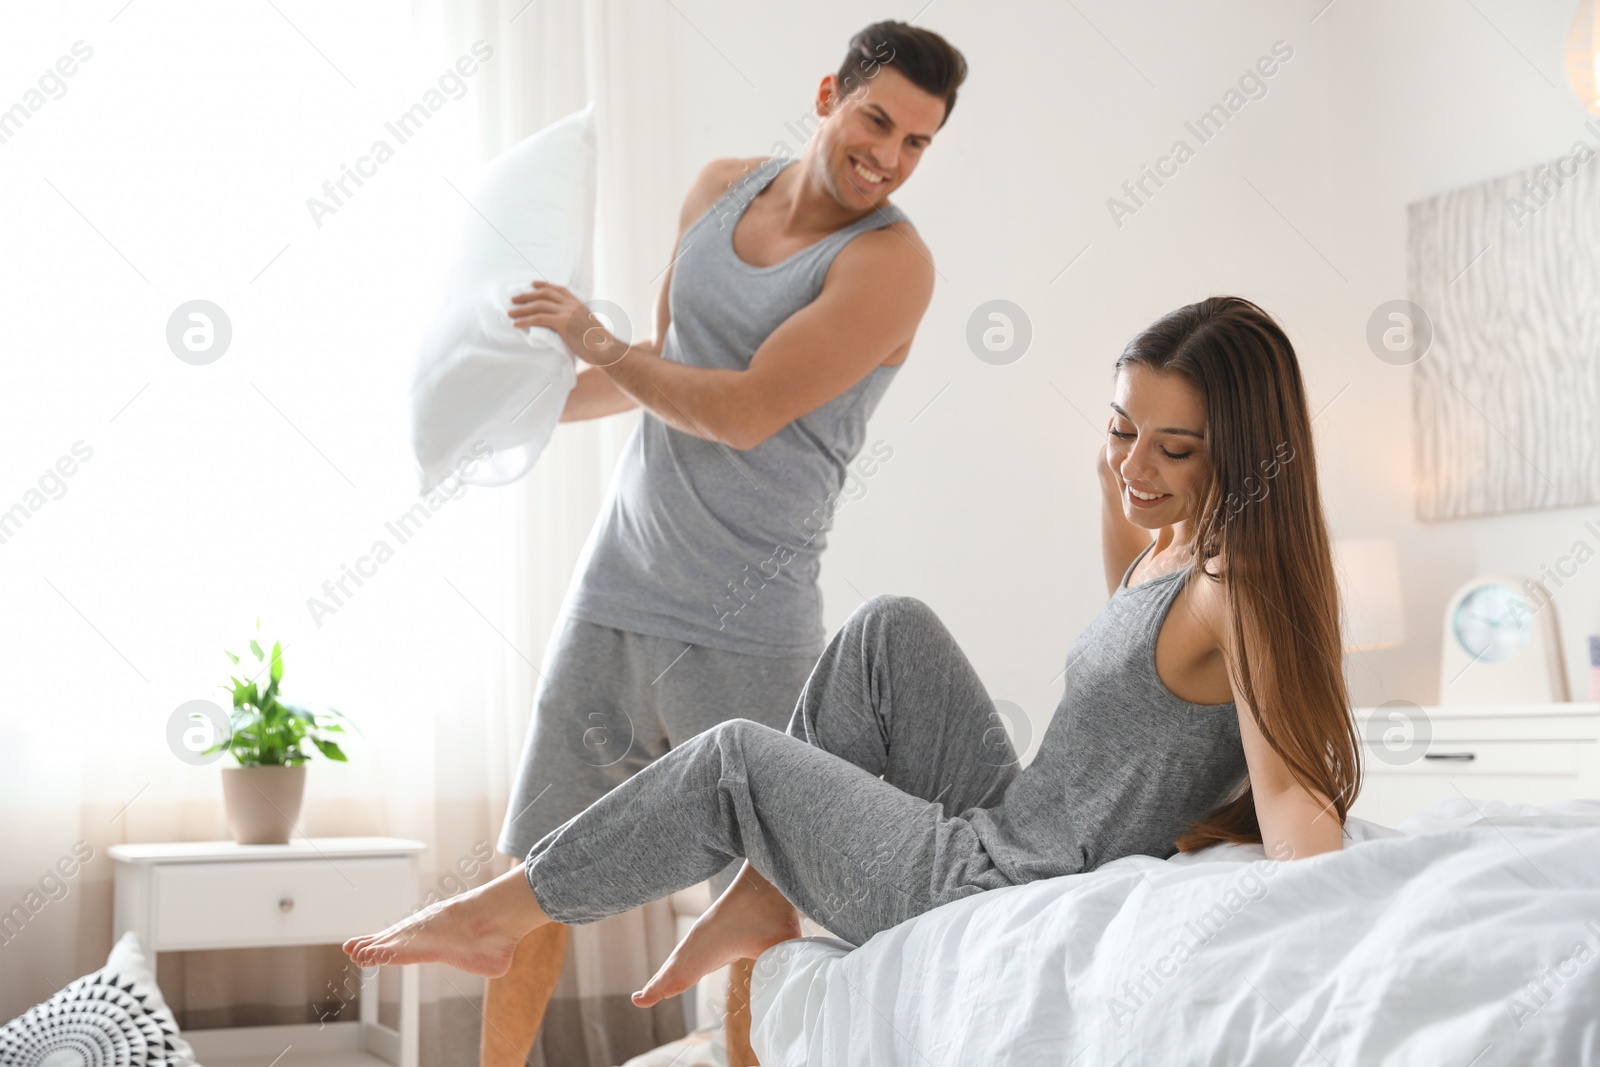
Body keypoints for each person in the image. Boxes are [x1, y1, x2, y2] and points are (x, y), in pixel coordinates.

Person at [345, 296, 1364, 1034]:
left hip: (1005, 880)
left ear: (1245, 447)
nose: (1136, 467)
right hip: (1011, 826)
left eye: (1172, 449)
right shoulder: (1171, 543)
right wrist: (1119, 479)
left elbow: (1293, 812)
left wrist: (1326, 921)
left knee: (736, 758)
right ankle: (757, 895)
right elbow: (1125, 648)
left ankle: (502, 909)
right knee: (887, 628)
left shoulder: (1242, 590)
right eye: (1118, 427)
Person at [479, 20, 966, 1067]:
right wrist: (512, 412)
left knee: (746, 912)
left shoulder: (891, 265)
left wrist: (596, 340)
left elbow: (741, 411)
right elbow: (663, 365)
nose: (887, 157)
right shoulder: (716, 189)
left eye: (917, 143)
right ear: (830, 90)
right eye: (877, 119)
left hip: (748, 623)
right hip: (616, 588)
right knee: (527, 881)